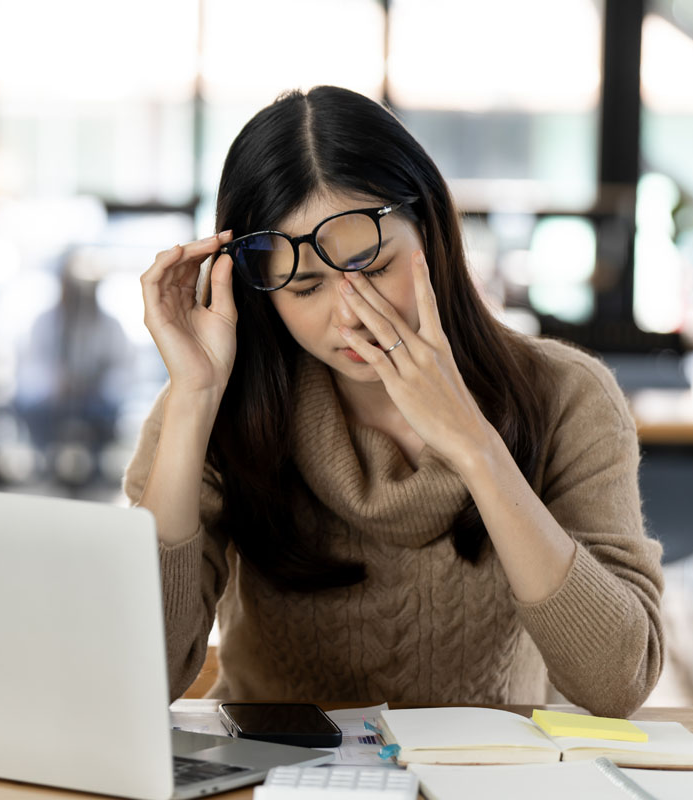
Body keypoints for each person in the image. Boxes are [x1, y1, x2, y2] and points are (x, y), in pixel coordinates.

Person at [124, 86, 663, 717]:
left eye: (372, 267)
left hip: (482, 779)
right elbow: (139, 676)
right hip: (276, 777)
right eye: (303, 287)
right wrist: (193, 398)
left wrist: (475, 447)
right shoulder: (218, 399)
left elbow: (618, 683)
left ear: (431, 232)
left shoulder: (568, 395)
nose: (348, 318)